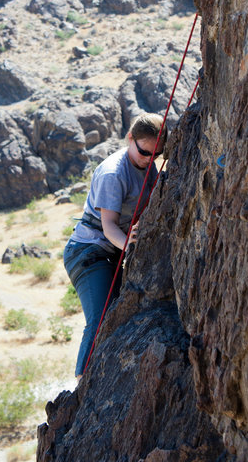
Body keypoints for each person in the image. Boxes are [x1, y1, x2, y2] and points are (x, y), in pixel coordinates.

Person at [63, 112, 167, 382]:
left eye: (155, 155)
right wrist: (129, 246)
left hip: (112, 251)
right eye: (144, 152)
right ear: (129, 138)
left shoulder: (146, 163)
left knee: (127, 310)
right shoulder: (113, 173)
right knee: (100, 318)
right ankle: (82, 383)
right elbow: (109, 226)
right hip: (89, 252)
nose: (149, 160)